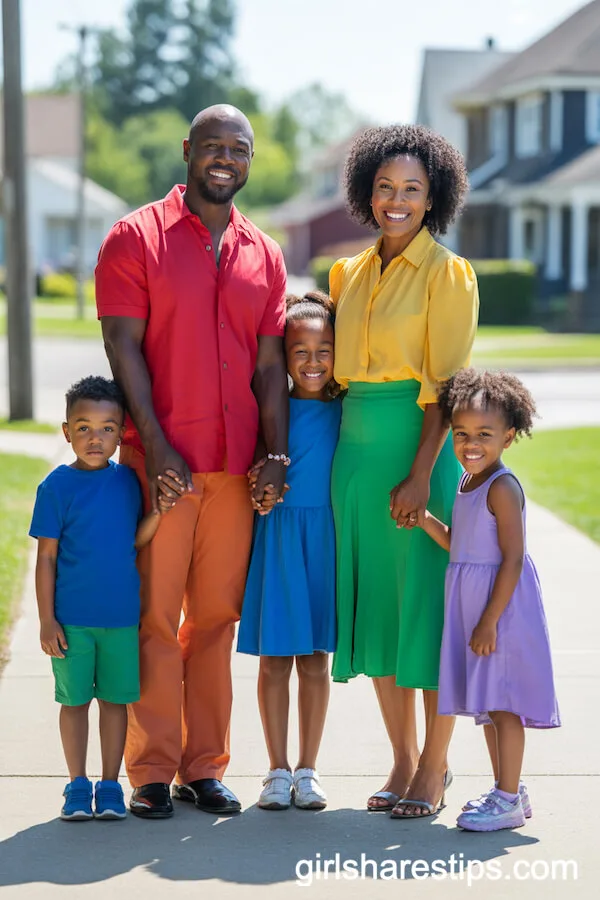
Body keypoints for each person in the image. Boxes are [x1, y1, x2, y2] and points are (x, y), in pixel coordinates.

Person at [95, 104, 289, 818]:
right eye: (213, 145)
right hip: (161, 466)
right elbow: (122, 348)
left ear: (249, 160)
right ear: (187, 150)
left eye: (238, 149)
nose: (224, 159)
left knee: (214, 622)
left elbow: (269, 368)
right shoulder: (134, 237)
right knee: (153, 618)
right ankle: (150, 770)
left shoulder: (264, 253)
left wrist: (275, 453)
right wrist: (155, 444)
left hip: (235, 471)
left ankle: (203, 767)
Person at [330, 124, 479, 818]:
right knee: (383, 617)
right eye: (385, 186)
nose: (397, 200)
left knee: (426, 615)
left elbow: (445, 388)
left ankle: (435, 766)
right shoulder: (347, 273)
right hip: (355, 459)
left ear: (433, 197)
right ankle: (400, 759)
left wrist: (421, 477)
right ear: (367, 192)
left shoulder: (448, 274)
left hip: (419, 449)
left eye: (412, 189)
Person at [419, 369, 561, 831]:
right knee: (488, 706)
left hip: (499, 612)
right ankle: (508, 789)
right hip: (475, 608)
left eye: (485, 434)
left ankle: (507, 799)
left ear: (509, 436)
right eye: (461, 434)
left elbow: (513, 559)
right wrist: (423, 520)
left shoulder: (502, 486)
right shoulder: (467, 481)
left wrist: (488, 621)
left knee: (503, 706)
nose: (471, 444)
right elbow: (460, 544)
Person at [29, 376, 164, 821]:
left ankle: (109, 785)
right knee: (73, 702)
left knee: (114, 701)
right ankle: (76, 784)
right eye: (83, 427)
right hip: (71, 622)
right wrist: (47, 620)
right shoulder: (55, 487)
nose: (95, 438)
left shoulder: (127, 481)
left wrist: (159, 513)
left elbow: (135, 540)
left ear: (121, 433)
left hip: (120, 619)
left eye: (107, 428)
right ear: (66, 431)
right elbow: (46, 557)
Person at [237, 291, 341, 811]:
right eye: (300, 352)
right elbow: (254, 462)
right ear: (283, 357)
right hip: (279, 537)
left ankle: (308, 769)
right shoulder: (270, 409)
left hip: (323, 540)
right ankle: (276, 770)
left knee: (315, 660)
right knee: (276, 659)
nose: (313, 362)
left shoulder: (346, 409)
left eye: (324, 351)